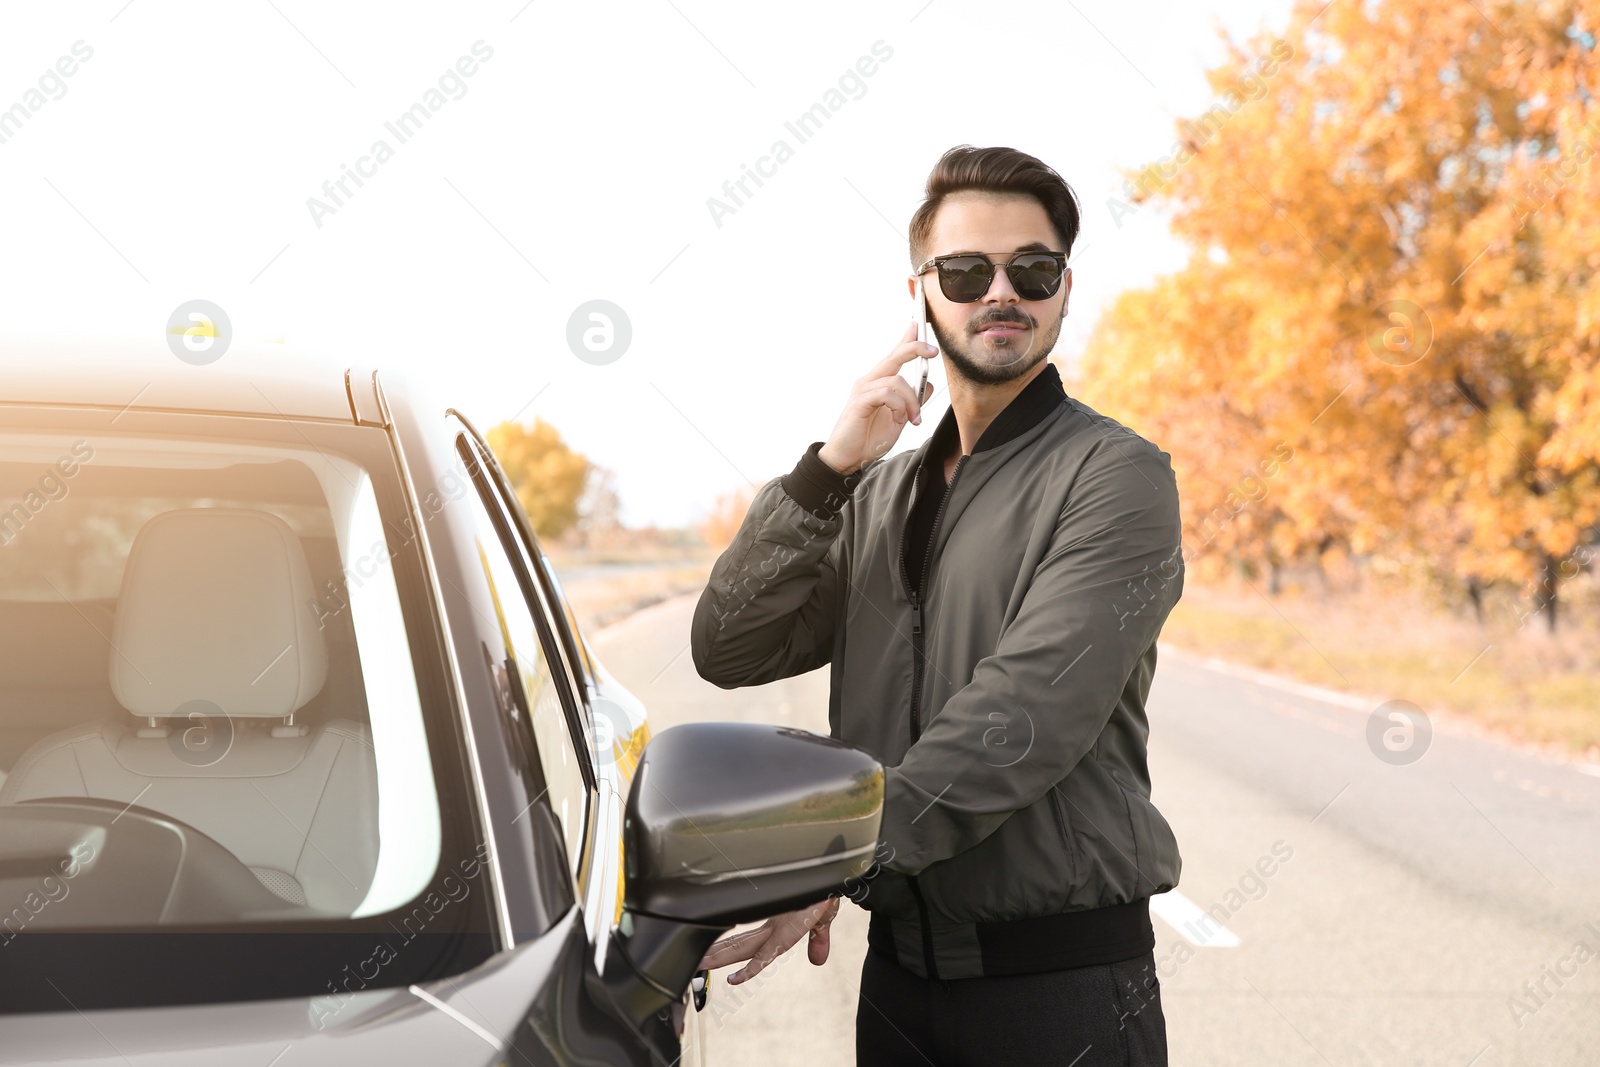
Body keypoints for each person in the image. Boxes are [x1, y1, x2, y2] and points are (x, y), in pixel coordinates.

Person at [689, 144, 1184, 1066]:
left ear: (1064, 290)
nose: (1002, 291)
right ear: (920, 294)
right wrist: (826, 471)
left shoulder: (1117, 478)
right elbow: (729, 644)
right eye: (966, 271)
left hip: (1061, 995)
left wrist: (844, 851)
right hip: (900, 987)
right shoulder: (874, 495)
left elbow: (1027, 713)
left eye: (1031, 270)